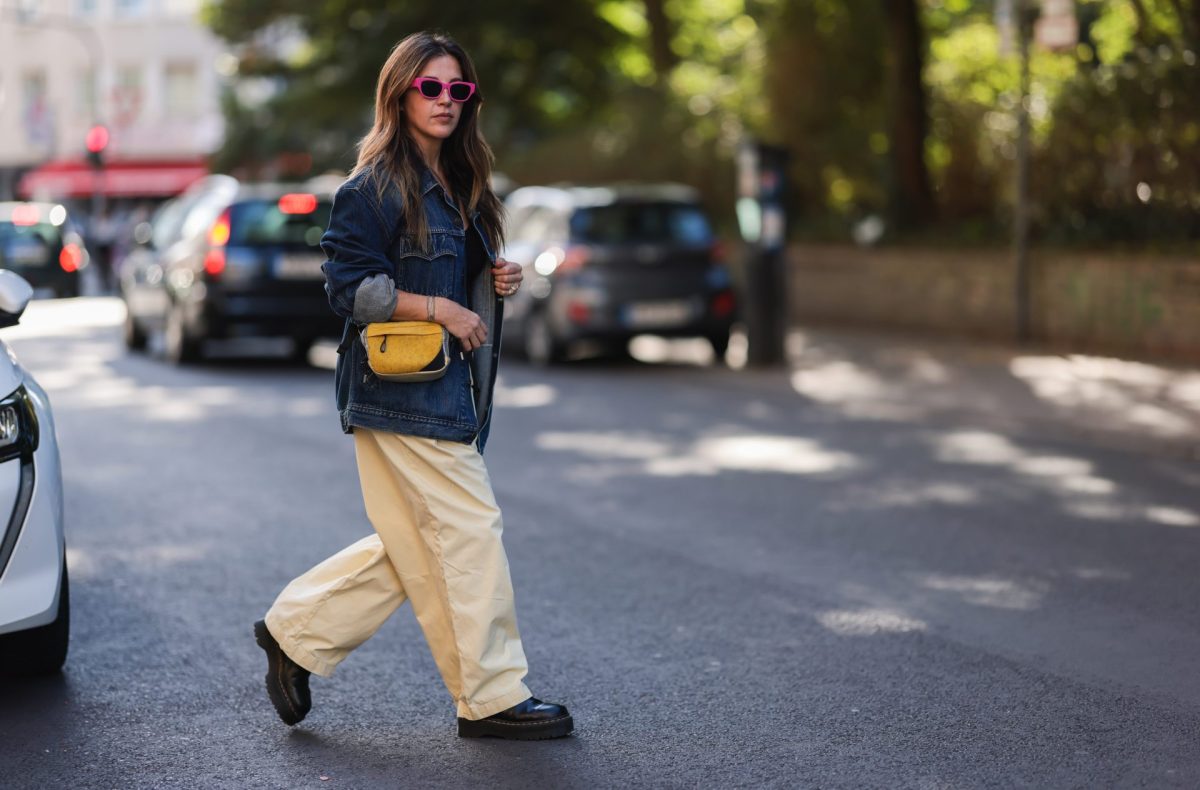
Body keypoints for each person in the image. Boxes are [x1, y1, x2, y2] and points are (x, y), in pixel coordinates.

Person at [252, 31, 573, 741]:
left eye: (458, 90)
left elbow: (449, 281)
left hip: (448, 386)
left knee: (416, 544)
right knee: (469, 529)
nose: (446, 101)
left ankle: (295, 632)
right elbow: (348, 289)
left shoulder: (465, 184)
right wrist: (440, 307)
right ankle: (491, 696)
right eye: (432, 87)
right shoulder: (368, 190)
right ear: (400, 92)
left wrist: (492, 283)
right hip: (398, 386)